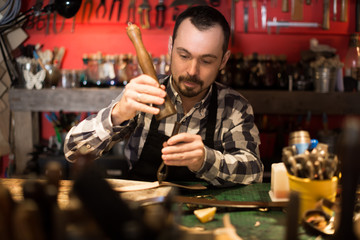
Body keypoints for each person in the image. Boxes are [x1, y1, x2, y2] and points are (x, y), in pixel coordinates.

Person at [64, 6, 263, 186]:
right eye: (184, 56)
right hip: (143, 211)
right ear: (170, 48)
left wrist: (205, 160)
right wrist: (117, 115)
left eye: (207, 61)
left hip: (206, 213)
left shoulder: (234, 107)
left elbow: (254, 172)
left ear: (223, 60)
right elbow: (72, 151)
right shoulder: (143, 93)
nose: (192, 71)